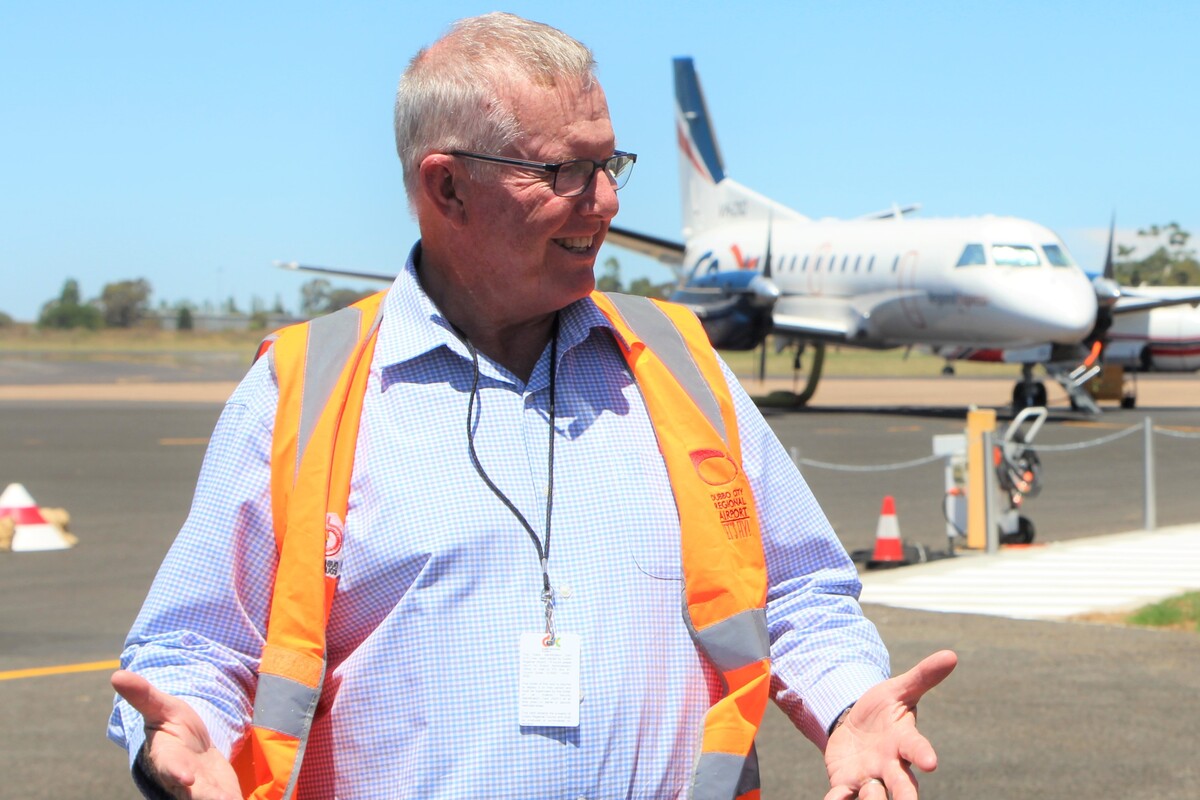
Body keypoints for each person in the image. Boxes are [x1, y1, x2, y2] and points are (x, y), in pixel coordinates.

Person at [109, 12, 956, 800]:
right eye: (566, 172)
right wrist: (178, 740)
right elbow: (195, 645)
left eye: (610, 165)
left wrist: (849, 702)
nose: (609, 202)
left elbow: (800, 589)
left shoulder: (677, 362)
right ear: (447, 189)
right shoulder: (305, 389)